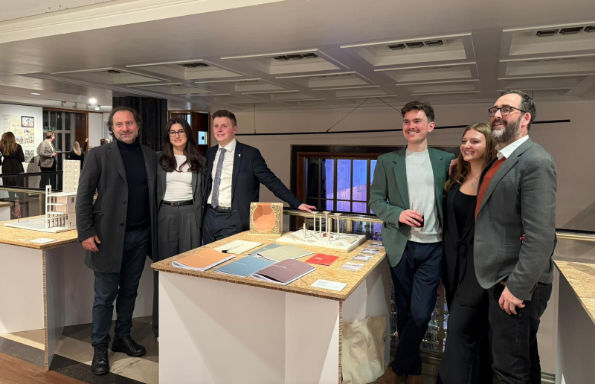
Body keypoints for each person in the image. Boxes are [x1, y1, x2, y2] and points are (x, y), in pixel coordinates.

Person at [474, 90, 556, 384]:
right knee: (523, 363)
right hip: (500, 279)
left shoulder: (535, 161)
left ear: (525, 118)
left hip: (517, 285)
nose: (496, 115)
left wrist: (518, 288)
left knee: (510, 372)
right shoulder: (502, 160)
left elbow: (541, 236)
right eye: (494, 109)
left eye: (506, 109)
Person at [370, 101, 454, 384]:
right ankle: (414, 369)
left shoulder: (446, 160)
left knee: (421, 314)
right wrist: (398, 214)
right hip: (401, 246)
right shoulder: (387, 161)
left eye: (417, 121)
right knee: (404, 311)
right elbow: (376, 202)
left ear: (430, 126)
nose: (411, 126)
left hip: (434, 248)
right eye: (406, 121)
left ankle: (397, 367)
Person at [76, 106, 157, 376]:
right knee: (104, 297)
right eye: (119, 124)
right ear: (113, 127)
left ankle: (123, 336)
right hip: (107, 237)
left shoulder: (148, 155)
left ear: (138, 125)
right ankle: (100, 347)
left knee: (130, 291)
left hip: (139, 235)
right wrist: (86, 232)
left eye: (129, 123)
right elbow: (84, 195)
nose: (125, 128)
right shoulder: (98, 155)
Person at [437, 123, 496, 384]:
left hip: (480, 266)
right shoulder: (456, 178)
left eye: (475, 141)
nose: (467, 146)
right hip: (453, 265)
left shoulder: (496, 180)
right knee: (473, 332)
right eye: (464, 141)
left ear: (489, 146)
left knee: (459, 330)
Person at [202, 109, 315, 244]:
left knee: (227, 260)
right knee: (208, 258)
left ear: (235, 129)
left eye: (224, 126)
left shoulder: (250, 154)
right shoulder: (210, 153)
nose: (219, 130)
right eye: (216, 126)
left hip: (233, 218)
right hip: (209, 217)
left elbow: (271, 181)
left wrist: (297, 203)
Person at [153, 117, 206, 337]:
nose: (177, 135)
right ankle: (160, 325)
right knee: (164, 269)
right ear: (168, 136)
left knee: (188, 268)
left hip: (190, 215)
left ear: (188, 134)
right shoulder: (158, 160)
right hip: (165, 214)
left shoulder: (199, 161)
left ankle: (188, 322)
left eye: (181, 131)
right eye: (172, 132)